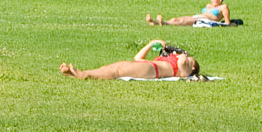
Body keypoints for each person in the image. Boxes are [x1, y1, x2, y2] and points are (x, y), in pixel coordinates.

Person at [60, 40, 201, 80]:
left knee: (117, 71)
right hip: (146, 65)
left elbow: (183, 63)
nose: (186, 59)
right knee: (107, 68)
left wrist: (182, 54)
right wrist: (152, 43)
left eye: (190, 60)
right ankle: (78, 73)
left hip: (152, 70)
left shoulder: (184, 70)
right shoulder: (172, 60)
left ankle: (82, 74)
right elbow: (138, 58)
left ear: (192, 69)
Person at [150, 0, 230, 27]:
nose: (211, 0)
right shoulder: (208, 5)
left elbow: (227, 23)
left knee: (183, 21)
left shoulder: (223, 7)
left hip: (206, 20)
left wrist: (232, 24)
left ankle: (164, 23)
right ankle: (155, 22)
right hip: (198, 17)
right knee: (175, 19)